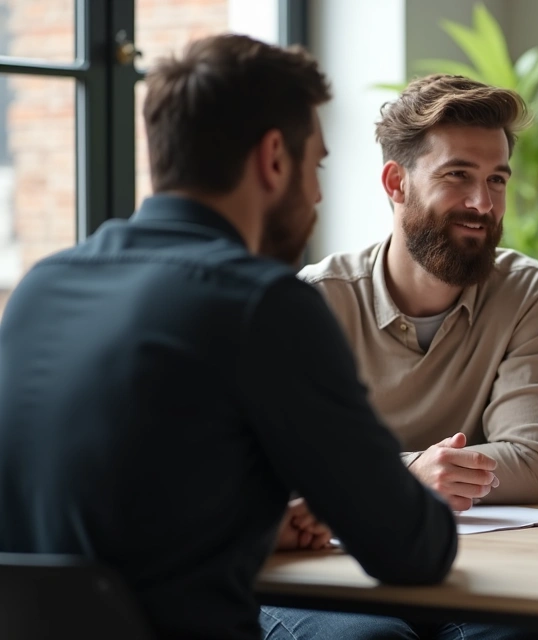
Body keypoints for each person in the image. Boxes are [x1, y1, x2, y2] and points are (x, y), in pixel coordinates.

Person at [0, 34, 457, 640]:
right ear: (273, 158)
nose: (318, 194)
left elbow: (87, 524)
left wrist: (257, 526)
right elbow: (411, 547)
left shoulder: (42, 287)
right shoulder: (262, 304)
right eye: (315, 165)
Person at [259, 74, 538, 640]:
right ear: (396, 182)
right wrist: (413, 476)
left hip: (467, 568)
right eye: (458, 176)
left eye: (497, 180)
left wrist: (378, 478)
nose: (483, 204)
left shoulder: (526, 291)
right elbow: (285, 475)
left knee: (519, 637)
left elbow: (531, 464)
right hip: (328, 574)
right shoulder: (316, 299)